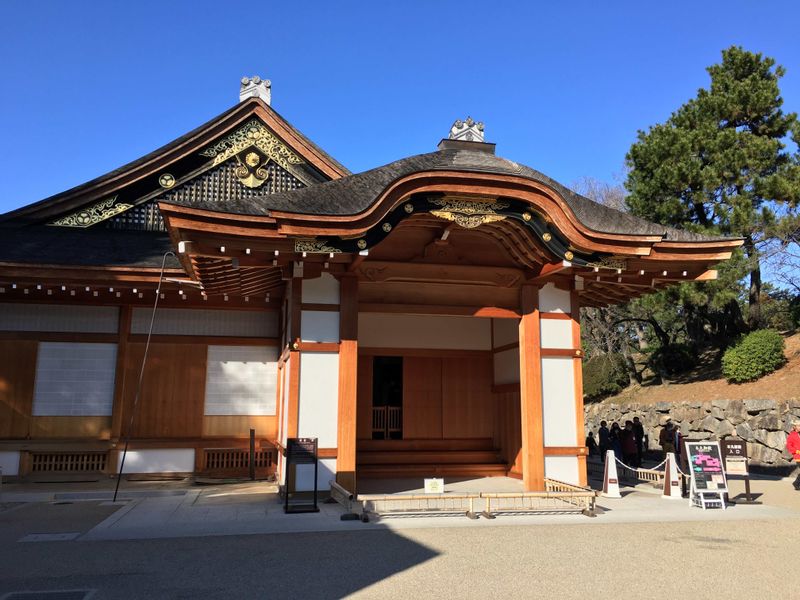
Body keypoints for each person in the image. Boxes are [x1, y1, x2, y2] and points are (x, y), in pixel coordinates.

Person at [787, 419, 800, 491]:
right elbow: (789, 446)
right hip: (798, 456)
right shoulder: (792, 435)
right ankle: (796, 483)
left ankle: (796, 483)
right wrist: (796, 451)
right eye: (799, 426)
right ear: (795, 427)